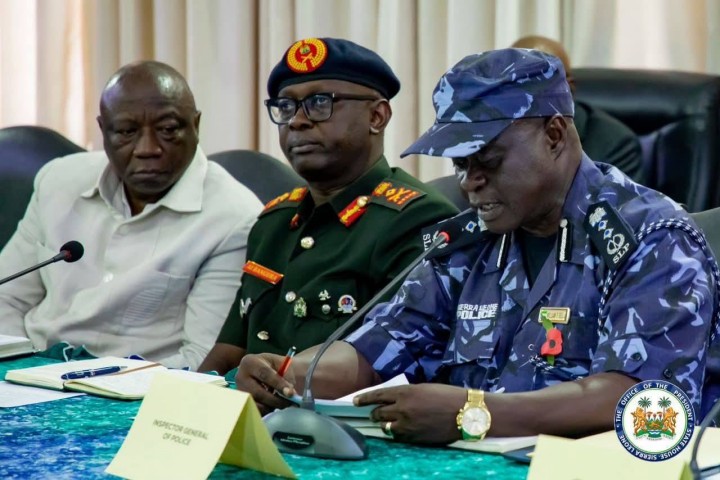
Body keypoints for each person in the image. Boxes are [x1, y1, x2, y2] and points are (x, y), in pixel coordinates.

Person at [236, 48, 719, 443]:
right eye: (460, 165)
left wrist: (475, 413)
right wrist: (290, 373)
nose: (469, 182)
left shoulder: (651, 238)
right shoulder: (466, 243)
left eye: (487, 160)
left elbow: (646, 404)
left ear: (554, 135)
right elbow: (375, 349)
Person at [198, 37, 458, 374]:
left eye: (319, 103)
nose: (297, 121)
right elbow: (230, 349)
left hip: (337, 407)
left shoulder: (418, 219)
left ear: (377, 116)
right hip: (255, 401)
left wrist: (281, 379)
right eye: (286, 107)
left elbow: (393, 361)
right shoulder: (274, 221)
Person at [0, 61, 262, 370]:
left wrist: (86, 382)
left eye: (167, 130)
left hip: (134, 387)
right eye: (126, 132)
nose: (147, 148)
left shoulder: (234, 218)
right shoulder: (59, 181)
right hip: (30, 369)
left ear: (196, 125)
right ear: (103, 130)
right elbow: (7, 298)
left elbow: (202, 359)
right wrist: (19, 370)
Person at [511, 35, 645, 184]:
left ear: (567, 86)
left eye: (536, 83)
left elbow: (618, 199)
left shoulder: (614, 144)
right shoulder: (497, 133)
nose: (525, 94)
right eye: (514, 84)